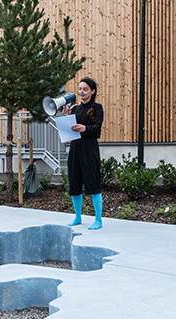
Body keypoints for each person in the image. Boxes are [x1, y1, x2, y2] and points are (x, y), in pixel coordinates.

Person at [62, 77, 104, 230]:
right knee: (74, 184)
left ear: (92, 91)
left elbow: (97, 130)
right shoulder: (75, 109)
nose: (81, 92)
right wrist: (66, 117)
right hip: (75, 149)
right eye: (80, 89)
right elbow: (67, 130)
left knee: (93, 183)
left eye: (85, 89)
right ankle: (78, 217)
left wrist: (85, 128)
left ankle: (98, 220)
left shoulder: (97, 108)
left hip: (89, 149)